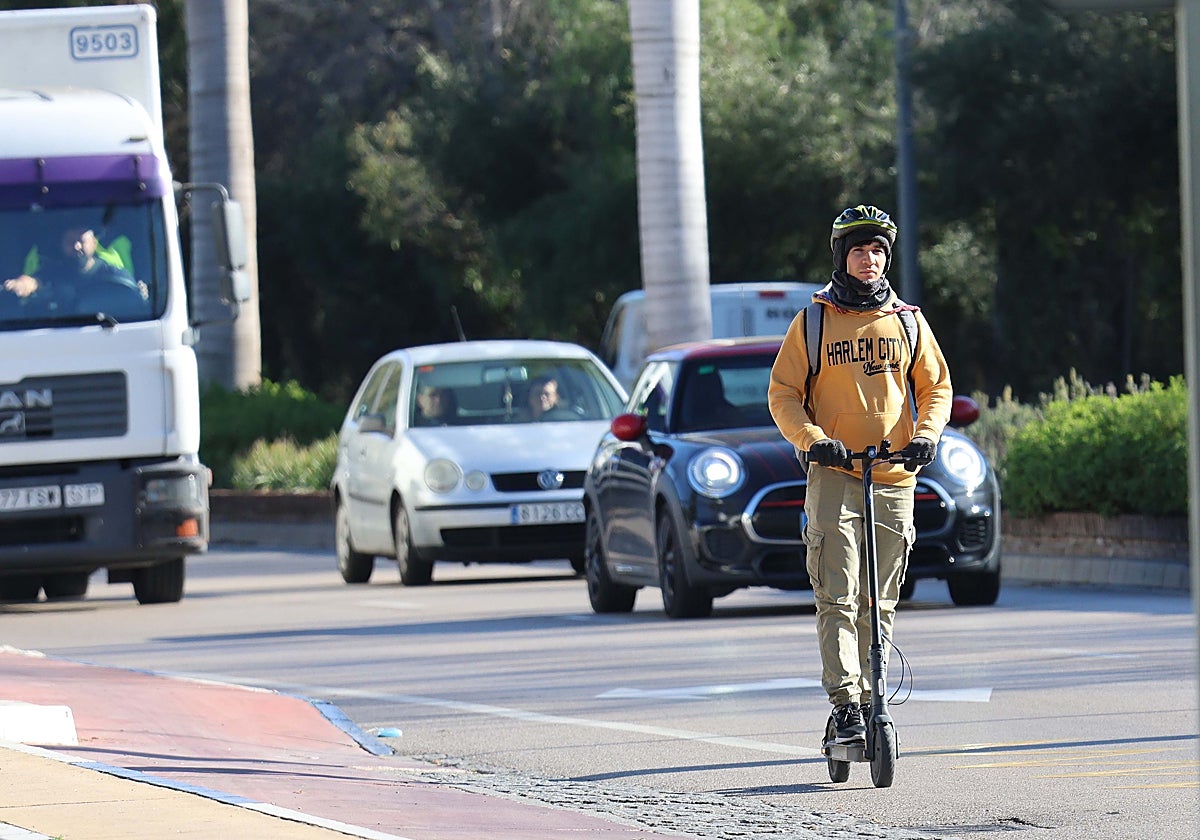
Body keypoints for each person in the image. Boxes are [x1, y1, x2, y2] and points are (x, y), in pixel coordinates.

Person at [767, 204, 952, 746]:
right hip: (835, 475)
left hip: (894, 476)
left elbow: (935, 388)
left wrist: (926, 436)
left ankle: (875, 699)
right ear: (840, 257)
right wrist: (813, 440)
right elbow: (782, 394)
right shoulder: (814, 322)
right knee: (838, 594)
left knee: (881, 598)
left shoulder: (909, 321)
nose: (868, 260)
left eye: (877, 251)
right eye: (858, 250)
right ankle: (846, 705)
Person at [4, 227, 145, 306]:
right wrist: (20, 284)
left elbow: (132, 295)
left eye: (81, 241)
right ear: (62, 246)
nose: (76, 246)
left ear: (94, 244)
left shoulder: (114, 274)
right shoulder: (54, 272)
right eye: (70, 242)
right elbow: (34, 282)